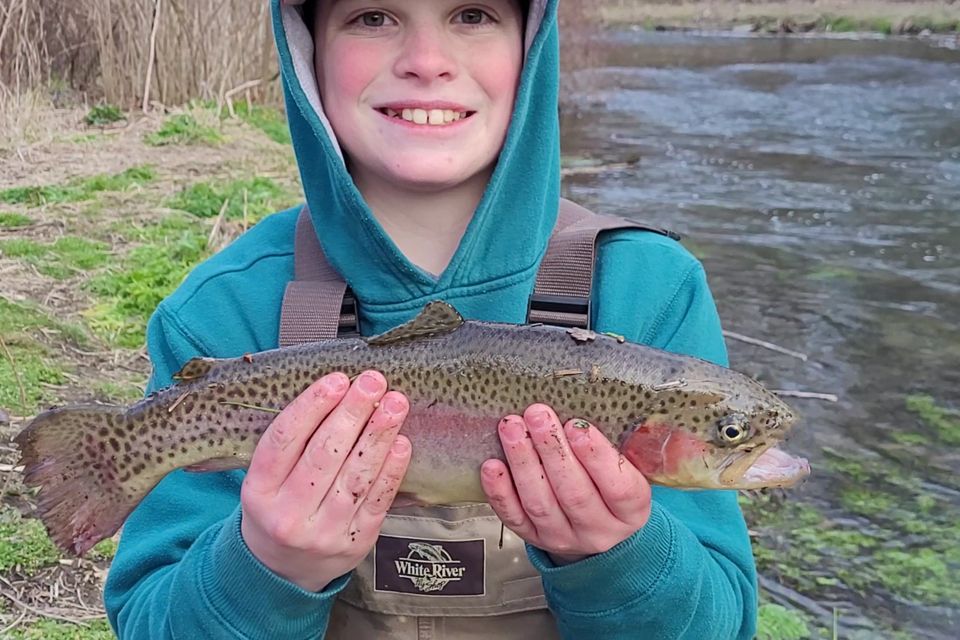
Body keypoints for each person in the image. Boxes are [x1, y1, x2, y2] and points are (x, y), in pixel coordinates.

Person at [103, 0, 758, 638]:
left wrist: (621, 559)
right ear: (309, 52)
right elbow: (149, 620)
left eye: (472, 15)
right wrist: (270, 567)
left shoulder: (651, 292)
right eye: (374, 17)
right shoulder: (223, 310)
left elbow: (724, 624)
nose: (426, 60)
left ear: (531, 42)